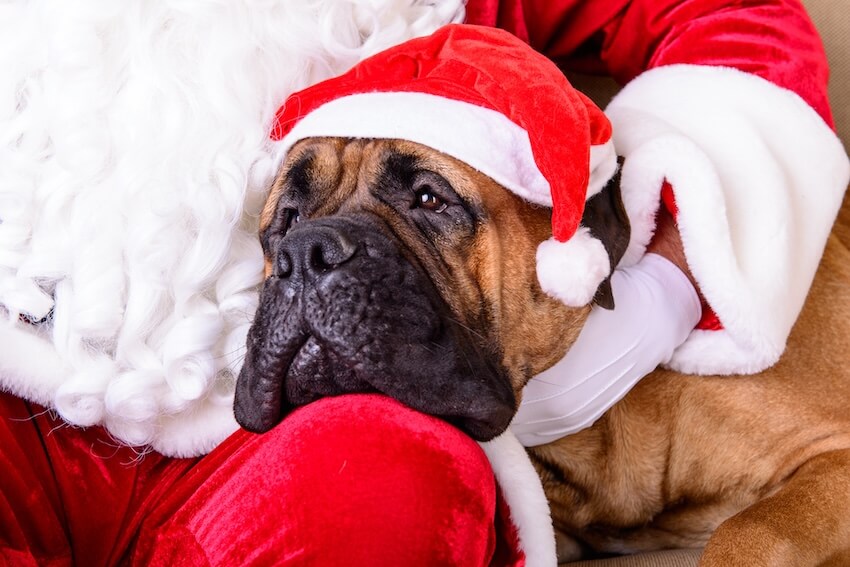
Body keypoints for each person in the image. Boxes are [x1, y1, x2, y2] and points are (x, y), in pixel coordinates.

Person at [1, 1, 847, 566]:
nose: (313, 257)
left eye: (428, 200)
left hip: (304, 458)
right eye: (290, 224)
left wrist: (667, 284)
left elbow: (734, 19)